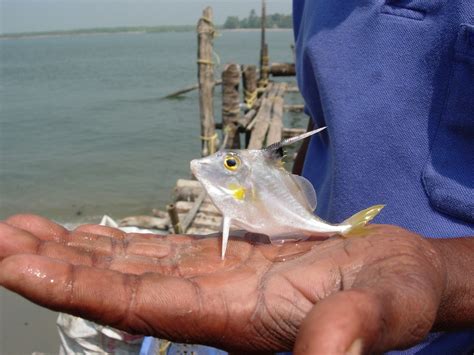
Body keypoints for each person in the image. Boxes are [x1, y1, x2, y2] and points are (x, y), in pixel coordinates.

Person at [1, 0, 473, 354]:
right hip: (293, 285)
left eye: (229, 165)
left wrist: (443, 272)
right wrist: (297, 226)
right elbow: (326, 118)